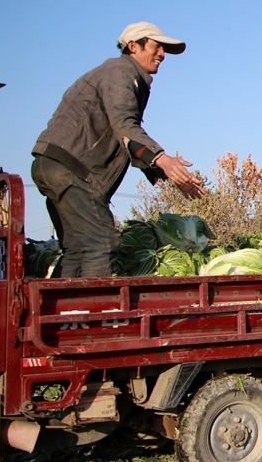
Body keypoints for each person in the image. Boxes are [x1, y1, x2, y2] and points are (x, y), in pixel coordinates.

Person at [32, 22, 204, 278]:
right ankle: (92, 315)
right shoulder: (121, 73)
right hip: (72, 170)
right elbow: (124, 125)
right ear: (133, 46)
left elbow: (121, 134)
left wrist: (161, 168)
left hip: (54, 166)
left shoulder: (120, 74)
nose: (162, 54)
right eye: (157, 46)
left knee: (78, 250)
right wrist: (161, 159)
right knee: (101, 243)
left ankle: (64, 314)